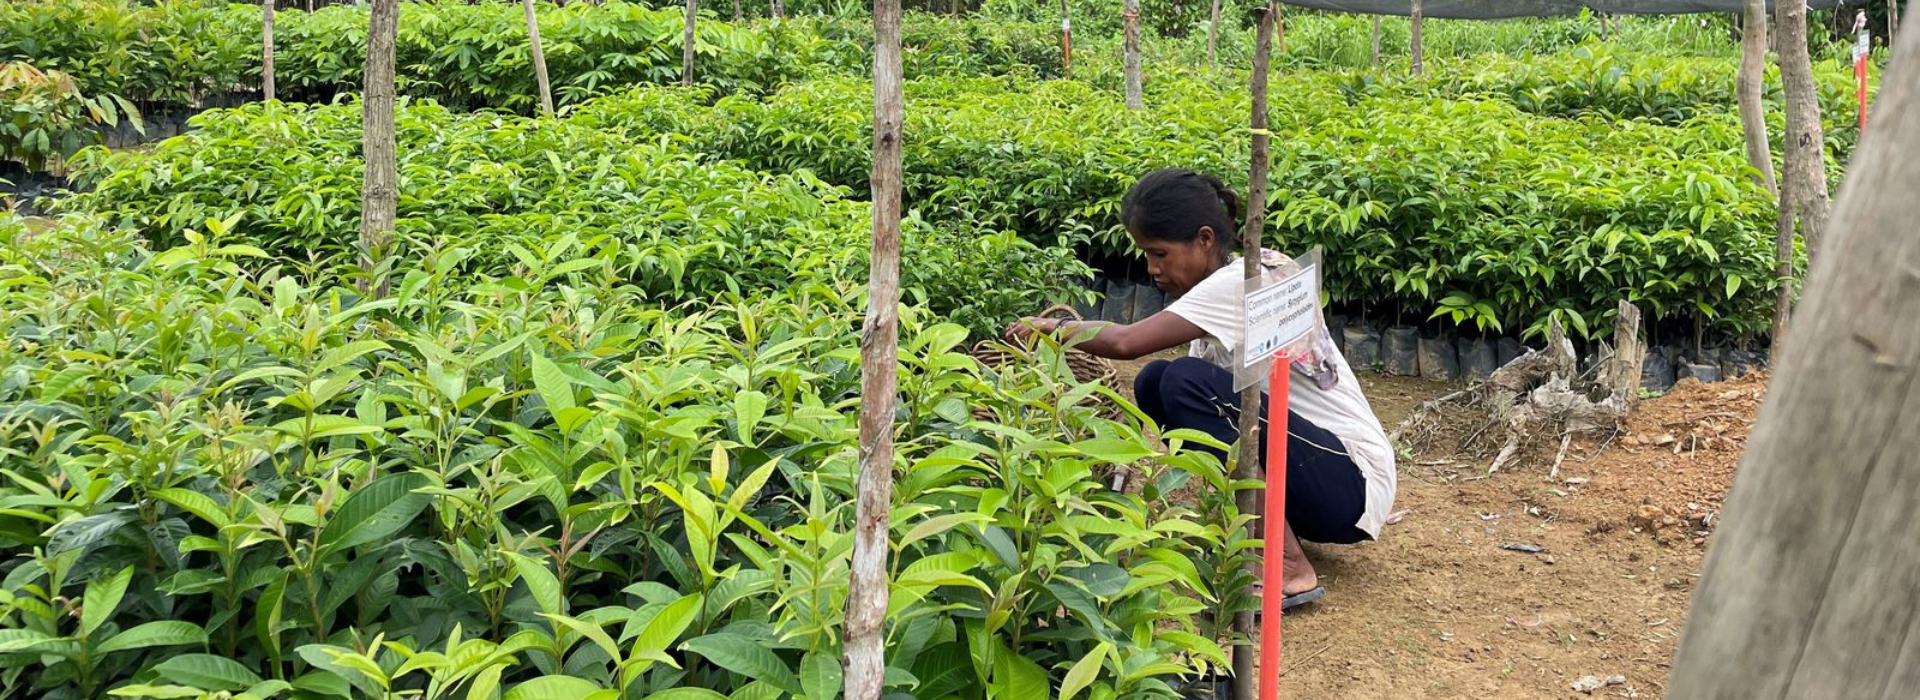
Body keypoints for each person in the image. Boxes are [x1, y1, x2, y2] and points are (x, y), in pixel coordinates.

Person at [1005, 168, 1397, 611]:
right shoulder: (1248, 270)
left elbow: (1125, 342)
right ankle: (1250, 533)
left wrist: (1050, 327)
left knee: (1182, 381)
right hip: (1325, 480)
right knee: (1158, 382)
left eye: (1159, 254)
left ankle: (1288, 566)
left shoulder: (1235, 283)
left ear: (1205, 240)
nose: (1152, 269)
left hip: (1351, 481)